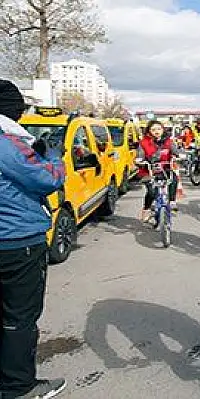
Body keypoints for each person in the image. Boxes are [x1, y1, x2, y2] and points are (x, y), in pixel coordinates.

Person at [0, 80, 67, 398]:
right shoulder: (7, 143)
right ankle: (17, 386)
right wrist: (54, 156)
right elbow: (47, 178)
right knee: (19, 318)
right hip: (17, 242)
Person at [137, 120, 179, 222]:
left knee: (173, 178)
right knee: (151, 191)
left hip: (165, 169)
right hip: (149, 171)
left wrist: (178, 156)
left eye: (159, 129)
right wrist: (140, 160)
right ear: (149, 131)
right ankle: (146, 209)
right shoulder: (144, 142)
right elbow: (140, 156)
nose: (156, 131)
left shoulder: (168, 141)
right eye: (153, 129)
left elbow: (176, 152)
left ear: (163, 130)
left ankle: (172, 201)